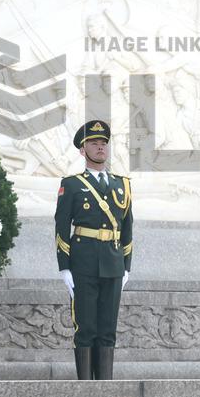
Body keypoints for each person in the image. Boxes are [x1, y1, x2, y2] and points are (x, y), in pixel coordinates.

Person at [54, 120, 133, 380]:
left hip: (113, 263)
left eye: (103, 143)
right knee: (86, 327)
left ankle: (105, 387)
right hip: (83, 263)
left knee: (108, 328)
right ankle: (86, 388)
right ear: (82, 150)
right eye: (94, 143)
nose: (100, 147)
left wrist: (126, 266)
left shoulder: (122, 185)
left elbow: (127, 228)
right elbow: (61, 226)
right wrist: (64, 267)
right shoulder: (72, 184)